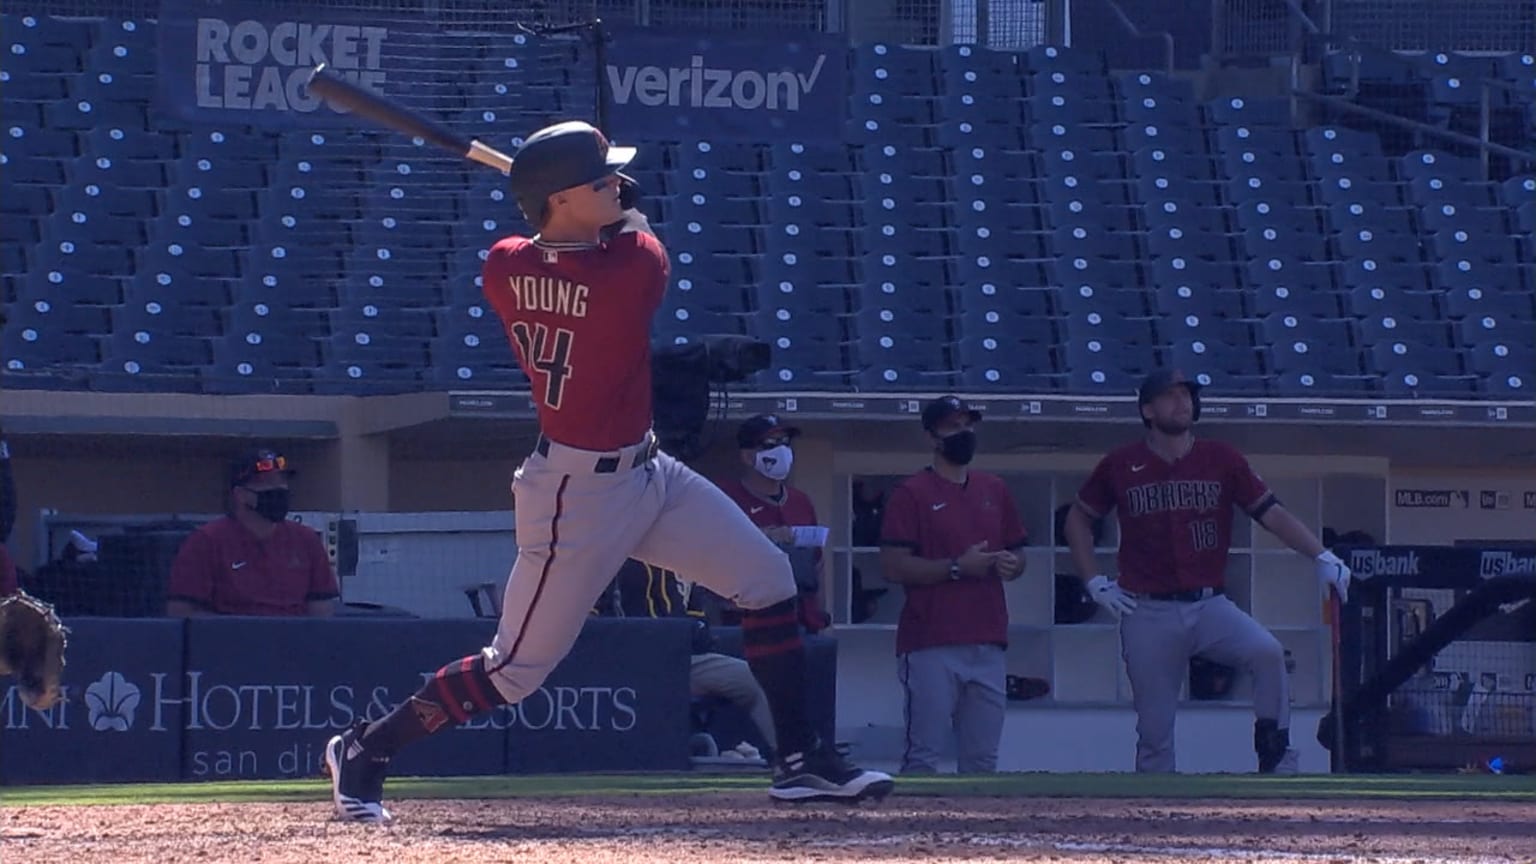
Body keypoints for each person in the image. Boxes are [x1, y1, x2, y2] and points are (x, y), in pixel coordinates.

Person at [322, 120, 892, 824]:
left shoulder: (503, 263)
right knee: (515, 669)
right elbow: (633, 243)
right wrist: (615, 211)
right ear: (558, 200)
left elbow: (552, 247)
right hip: (575, 496)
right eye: (600, 180)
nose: (617, 185)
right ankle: (367, 749)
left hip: (648, 470)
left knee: (768, 580)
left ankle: (800, 763)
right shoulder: (633, 270)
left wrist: (580, 201)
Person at [1063, 368, 1353, 774]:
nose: (1182, 402)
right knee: (1154, 731)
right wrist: (1092, 580)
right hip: (1146, 610)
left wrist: (1321, 555)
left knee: (1267, 653)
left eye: (1187, 394)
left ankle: (1275, 756)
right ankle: (1154, 825)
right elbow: (1078, 517)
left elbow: (1271, 514)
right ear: (1147, 409)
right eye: (1170, 395)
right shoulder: (1121, 463)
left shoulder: (1221, 458)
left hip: (1208, 603)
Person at [878, 396, 1028, 774]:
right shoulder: (910, 493)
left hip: (988, 639)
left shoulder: (995, 489)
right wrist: (958, 568)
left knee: (983, 759)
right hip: (930, 640)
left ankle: (974, 832)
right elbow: (893, 566)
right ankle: (914, 831)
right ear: (932, 436)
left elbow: (1019, 553)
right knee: (923, 756)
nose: (964, 433)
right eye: (953, 426)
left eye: (968, 425)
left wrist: (1012, 564)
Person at [600, 558, 778, 761]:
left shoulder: (680, 556)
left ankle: (791, 756)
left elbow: (697, 622)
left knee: (754, 678)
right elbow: (598, 621)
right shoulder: (616, 551)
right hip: (631, 663)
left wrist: (697, 633)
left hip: (683, 661)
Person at [166, 448, 339, 617]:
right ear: (241, 495)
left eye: (282, 482)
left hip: (294, 641)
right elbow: (181, 611)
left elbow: (321, 610)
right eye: (268, 483)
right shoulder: (206, 541)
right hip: (232, 642)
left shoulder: (306, 540)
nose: (279, 489)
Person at [717, 414, 830, 634]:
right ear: (748, 456)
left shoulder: (800, 501)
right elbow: (711, 554)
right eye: (770, 445)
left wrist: (819, 614)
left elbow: (817, 564)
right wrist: (763, 537)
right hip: (747, 623)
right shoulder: (725, 498)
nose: (781, 451)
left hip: (801, 623)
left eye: (785, 443)